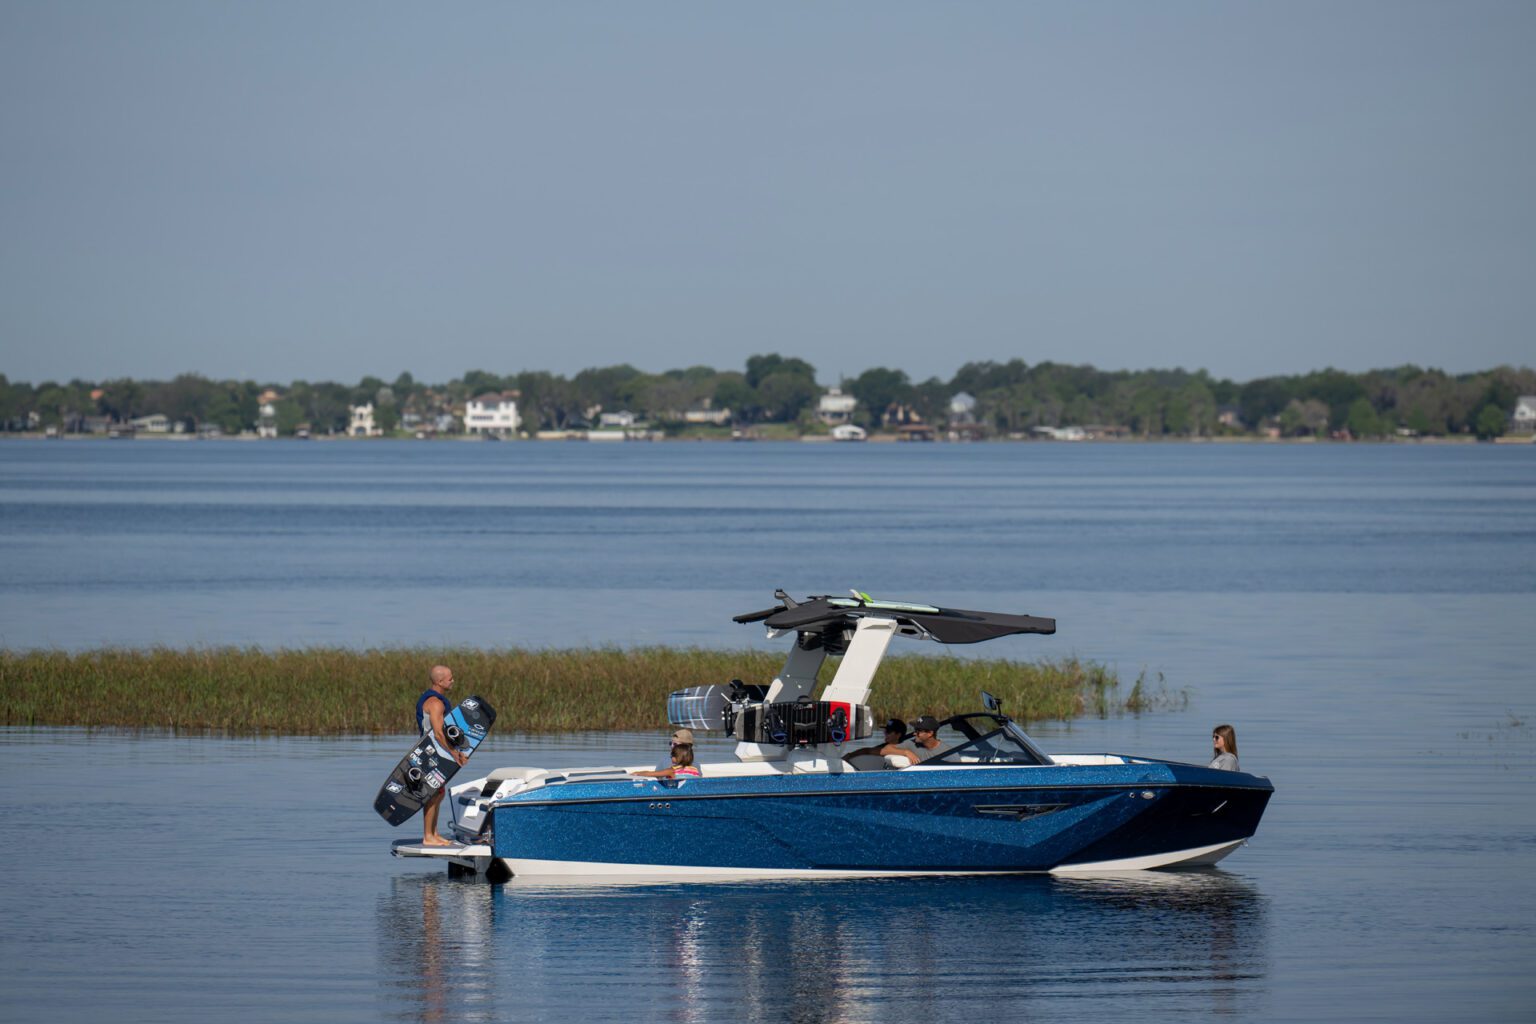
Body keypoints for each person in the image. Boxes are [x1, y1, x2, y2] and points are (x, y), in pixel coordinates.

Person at [417, 664, 468, 847]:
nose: (453, 681)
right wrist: (454, 753)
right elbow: (439, 734)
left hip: (436, 752)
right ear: (439, 681)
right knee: (433, 793)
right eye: (450, 678)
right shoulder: (435, 703)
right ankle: (428, 836)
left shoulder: (435, 700)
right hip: (430, 753)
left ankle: (434, 833)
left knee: (438, 793)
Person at [844, 718, 920, 767]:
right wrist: (849, 755)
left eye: (888, 732)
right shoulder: (888, 747)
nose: (885, 733)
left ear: (898, 735)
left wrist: (849, 755)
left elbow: (868, 751)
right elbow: (867, 750)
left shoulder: (905, 747)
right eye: (885, 731)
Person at [632, 729, 703, 779]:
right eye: (670, 743)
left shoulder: (672, 769)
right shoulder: (695, 769)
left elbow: (652, 774)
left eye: (675, 744)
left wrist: (637, 773)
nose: (671, 746)